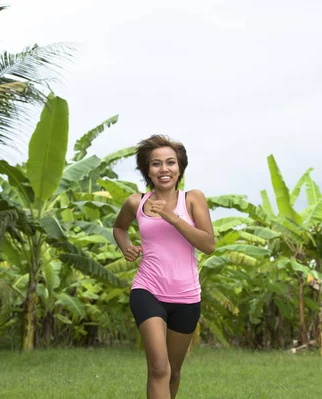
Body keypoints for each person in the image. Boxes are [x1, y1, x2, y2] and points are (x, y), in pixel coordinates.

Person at [113, 135, 215, 399]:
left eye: (170, 162)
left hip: (186, 296)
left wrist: (173, 218)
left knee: (174, 371)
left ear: (180, 168)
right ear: (147, 170)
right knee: (159, 368)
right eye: (156, 164)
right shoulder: (136, 202)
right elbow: (119, 227)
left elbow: (208, 245)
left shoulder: (192, 199)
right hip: (148, 290)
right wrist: (125, 246)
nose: (164, 169)